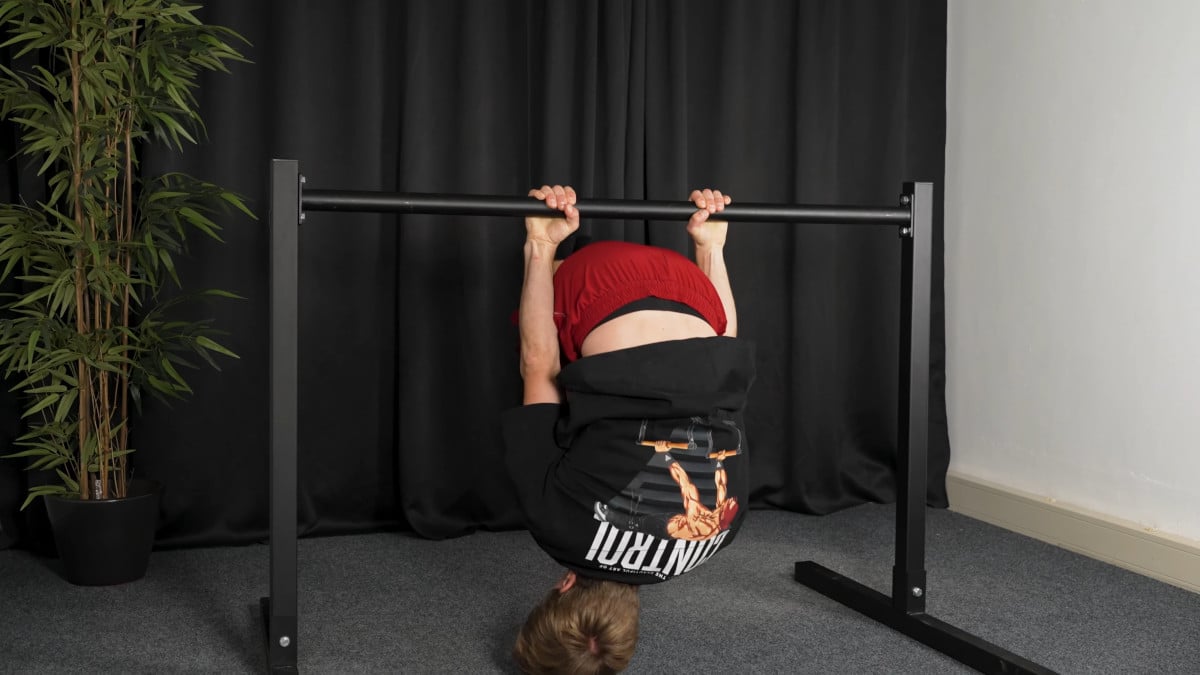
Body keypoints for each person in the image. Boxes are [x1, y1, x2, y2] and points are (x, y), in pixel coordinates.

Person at [501, 185, 756, 674]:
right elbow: (537, 363)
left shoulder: (716, 539)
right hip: (604, 285)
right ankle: (553, 250)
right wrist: (540, 243)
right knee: (546, 363)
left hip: (700, 297)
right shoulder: (555, 527)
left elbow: (725, 383)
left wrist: (711, 248)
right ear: (564, 586)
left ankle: (707, 246)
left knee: (702, 388)